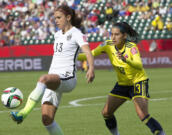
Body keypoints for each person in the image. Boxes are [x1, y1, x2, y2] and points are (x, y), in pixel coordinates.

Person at [10, 4, 95, 135]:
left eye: (59, 17)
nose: (56, 20)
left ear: (68, 17)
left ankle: (23, 113)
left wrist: (91, 69)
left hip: (67, 78)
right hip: (54, 80)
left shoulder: (77, 34)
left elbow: (88, 52)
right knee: (47, 120)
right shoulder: (56, 35)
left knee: (43, 79)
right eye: (55, 18)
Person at [78, 22, 165, 135]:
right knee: (106, 113)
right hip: (123, 84)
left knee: (142, 114)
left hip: (138, 82)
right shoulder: (107, 44)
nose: (113, 37)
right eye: (111, 34)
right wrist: (72, 56)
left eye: (117, 34)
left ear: (124, 36)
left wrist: (126, 59)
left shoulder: (131, 47)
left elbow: (139, 65)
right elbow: (90, 54)